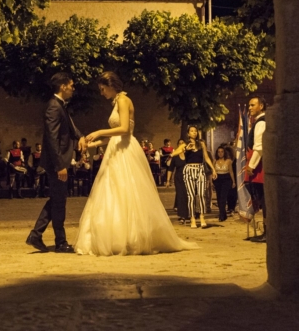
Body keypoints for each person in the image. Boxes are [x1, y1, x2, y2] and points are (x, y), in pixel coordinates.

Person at [75, 71, 198, 256]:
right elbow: (115, 135)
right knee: (111, 191)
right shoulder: (116, 102)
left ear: (110, 86)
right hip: (116, 148)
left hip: (125, 150)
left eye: (102, 89)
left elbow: (124, 129)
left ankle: (131, 238)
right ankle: (116, 236)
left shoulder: (124, 100)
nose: (102, 93)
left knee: (127, 190)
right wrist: (93, 143)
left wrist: (100, 132)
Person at [26, 72, 86, 253]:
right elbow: (52, 138)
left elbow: (69, 126)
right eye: (71, 85)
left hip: (58, 161)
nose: (73, 88)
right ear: (63, 86)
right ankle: (60, 242)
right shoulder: (54, 106)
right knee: (59, 202)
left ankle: (36, 235)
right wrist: (60, 165)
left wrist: (80, 136)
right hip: (56, 163)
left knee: (57, 200)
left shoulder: (59, 105)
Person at [170, 126, 217, 229]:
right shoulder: (184, 144)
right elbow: (174, 153)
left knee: (201, 194)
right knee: (190, 196)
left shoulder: (201, 144)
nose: (194, 132)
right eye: (192, 131)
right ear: (188, 133)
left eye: (195, 131)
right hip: (189, 170)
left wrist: (213, 169)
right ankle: (192, 218)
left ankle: (202, 217)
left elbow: (206, 157)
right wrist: (185, 149)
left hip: (200, 169)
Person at [245, 97, 267, 243]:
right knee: (263, 199)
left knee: (264, 200)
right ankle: (266, 231)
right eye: (249, 105)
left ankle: (267, 232)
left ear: (261, 106)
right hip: (258, 165)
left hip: (259, 166)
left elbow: (259, 147)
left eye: (253, 105)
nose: (250, 108)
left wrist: (251, 165)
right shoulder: (259, 121)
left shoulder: (261, 122)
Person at [213, 146, 235, 222]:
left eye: (222, 152)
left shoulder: (228, 161)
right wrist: (211, 181)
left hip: (226, 179)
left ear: (224, 152)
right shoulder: (215, 161)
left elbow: (231, 172)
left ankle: (221, 215)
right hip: (217, 179)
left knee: (223, 197)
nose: (220, 153)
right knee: (219, 197)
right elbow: (213, 172)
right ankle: (223, 213)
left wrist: (233, 181)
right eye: (219, 152)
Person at [170, 139, 189, 223]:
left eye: (183, 143)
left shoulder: (189, 155)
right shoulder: (175, 157)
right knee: (181, 196)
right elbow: (170, 168)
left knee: (188, 195)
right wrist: (168, 180)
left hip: (188, 177)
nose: (181, 145)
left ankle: (188, 213)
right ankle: (182, 215)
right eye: (180, 144)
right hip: (179, 178)